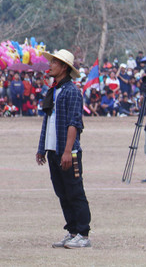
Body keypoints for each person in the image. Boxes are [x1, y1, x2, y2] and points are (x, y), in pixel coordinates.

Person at [36, 49, 92, 248]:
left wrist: (68, 151)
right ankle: (72, 231)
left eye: (54, 63)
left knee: (75, 192)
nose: (50, 65)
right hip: (53, 150)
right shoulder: (53, 91)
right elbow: (47, 122)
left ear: (64, 68)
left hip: (67, 151)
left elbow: (74, 124)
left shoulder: (72, 91)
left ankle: (83, 234)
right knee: (62, 192)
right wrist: (42, 148)